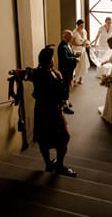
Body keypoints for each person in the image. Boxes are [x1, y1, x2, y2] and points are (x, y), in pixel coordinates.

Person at [31, 45, 77, 177]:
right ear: (49, 61)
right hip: (52, 110)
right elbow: (64, 96)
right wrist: (61, 79)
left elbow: (27, 73)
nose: (53, 60)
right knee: (64, 137)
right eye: (52, 58)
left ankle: (48, 165)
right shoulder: (53, 76)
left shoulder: (36, 72)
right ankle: (60, 166)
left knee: (42, 137)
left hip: (40, 109)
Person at [57, 30, 79, 115]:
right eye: (70, 36)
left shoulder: (68, 45)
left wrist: (75, 54)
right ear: (65, 36)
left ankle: (66, 100)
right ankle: (65, 106)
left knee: (68, 86)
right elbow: (65, 59)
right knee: (65, 87)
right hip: (64, 70)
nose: (72, 37)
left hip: (69, 70)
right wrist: (75, 59)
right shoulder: (62, 46)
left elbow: (69, 55)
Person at [72, 19, 90, 85]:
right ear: (78, 25)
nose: (82, 27)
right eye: (81, 26)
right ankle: (75, 80)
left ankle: (80, 79)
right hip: (76, 50)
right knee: (77, 65)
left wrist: (88, 44)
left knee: (82, 65)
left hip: (83, 50)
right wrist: (81, 44)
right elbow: (72, 42)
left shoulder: (84, 31)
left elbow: (86, 40)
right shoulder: (74, 32)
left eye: (83, 25)